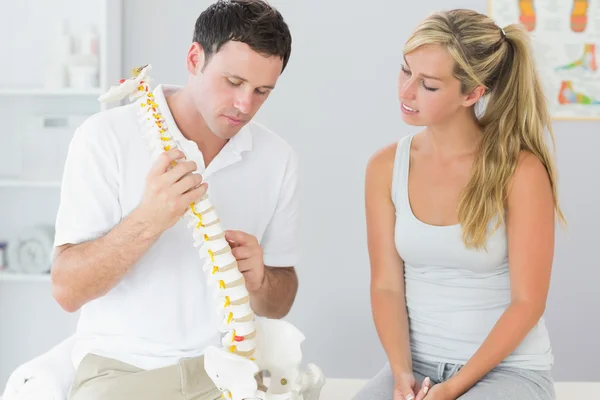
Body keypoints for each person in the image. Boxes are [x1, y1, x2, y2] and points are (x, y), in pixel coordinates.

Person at [51, 1, 298, 399]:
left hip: (228, 376)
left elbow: (280, 299)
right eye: (233, 82)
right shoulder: (104, 138)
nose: (245, 105)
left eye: (262, 91)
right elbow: (67, 290)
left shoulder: (278, 158)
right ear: (194, 58)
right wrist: (149, 219)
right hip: (123, 371)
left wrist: (261, 279)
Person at [355, 8, 565, 400]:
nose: (405, 92)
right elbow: (385, 285)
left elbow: (527, 302)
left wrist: (453, 387)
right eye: (405, 71)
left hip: (508, 371)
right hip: (416, 366)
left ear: (472, 93)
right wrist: (401, 375)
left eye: (428, 85)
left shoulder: (521, 172)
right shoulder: (385, 167)